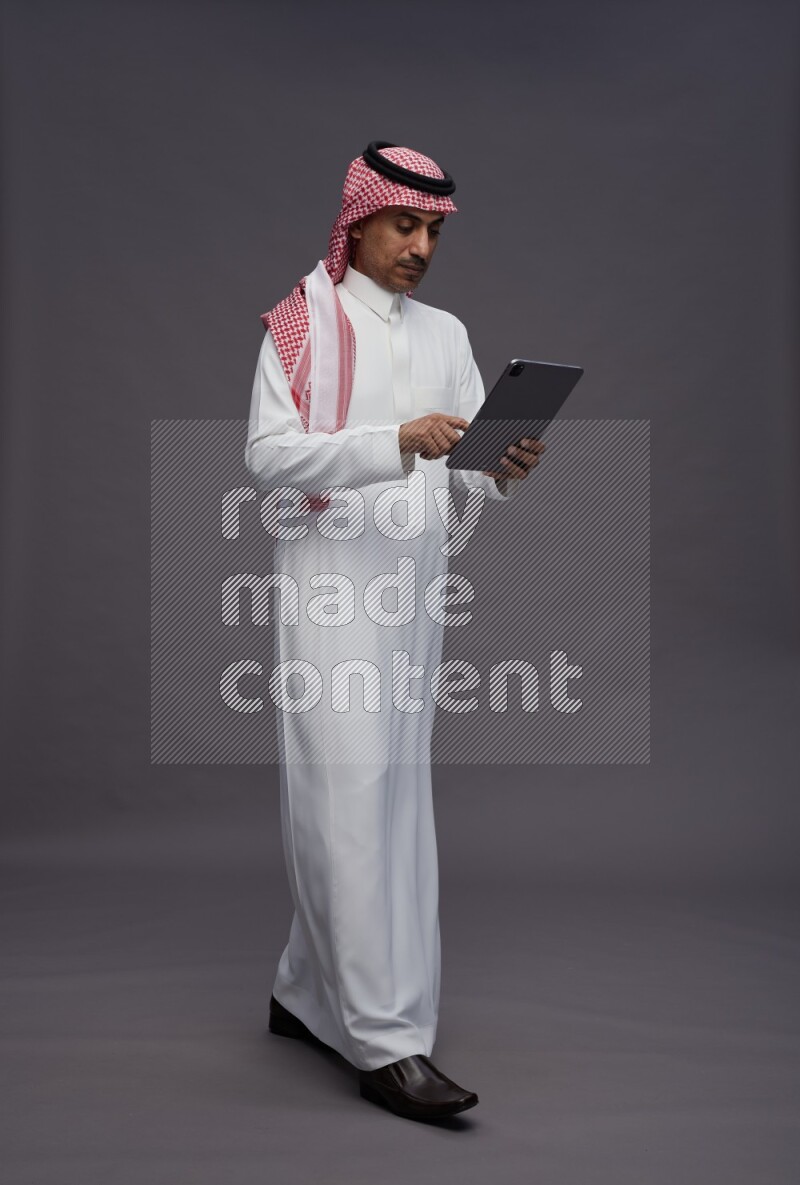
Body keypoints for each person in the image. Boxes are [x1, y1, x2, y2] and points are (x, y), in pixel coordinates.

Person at [245, 141, 543, 1121]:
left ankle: (300, 989)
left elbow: (461, 465)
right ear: (357, 221)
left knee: (384, 796)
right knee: (349, 796)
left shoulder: (444, 332)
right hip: (331, 589)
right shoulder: (302, 321)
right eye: (403, 224)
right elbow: (270, 459)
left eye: (432, 230)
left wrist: (500, 464)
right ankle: (383, 1041)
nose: (419, 245)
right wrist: (392, 441)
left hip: (414, 591)